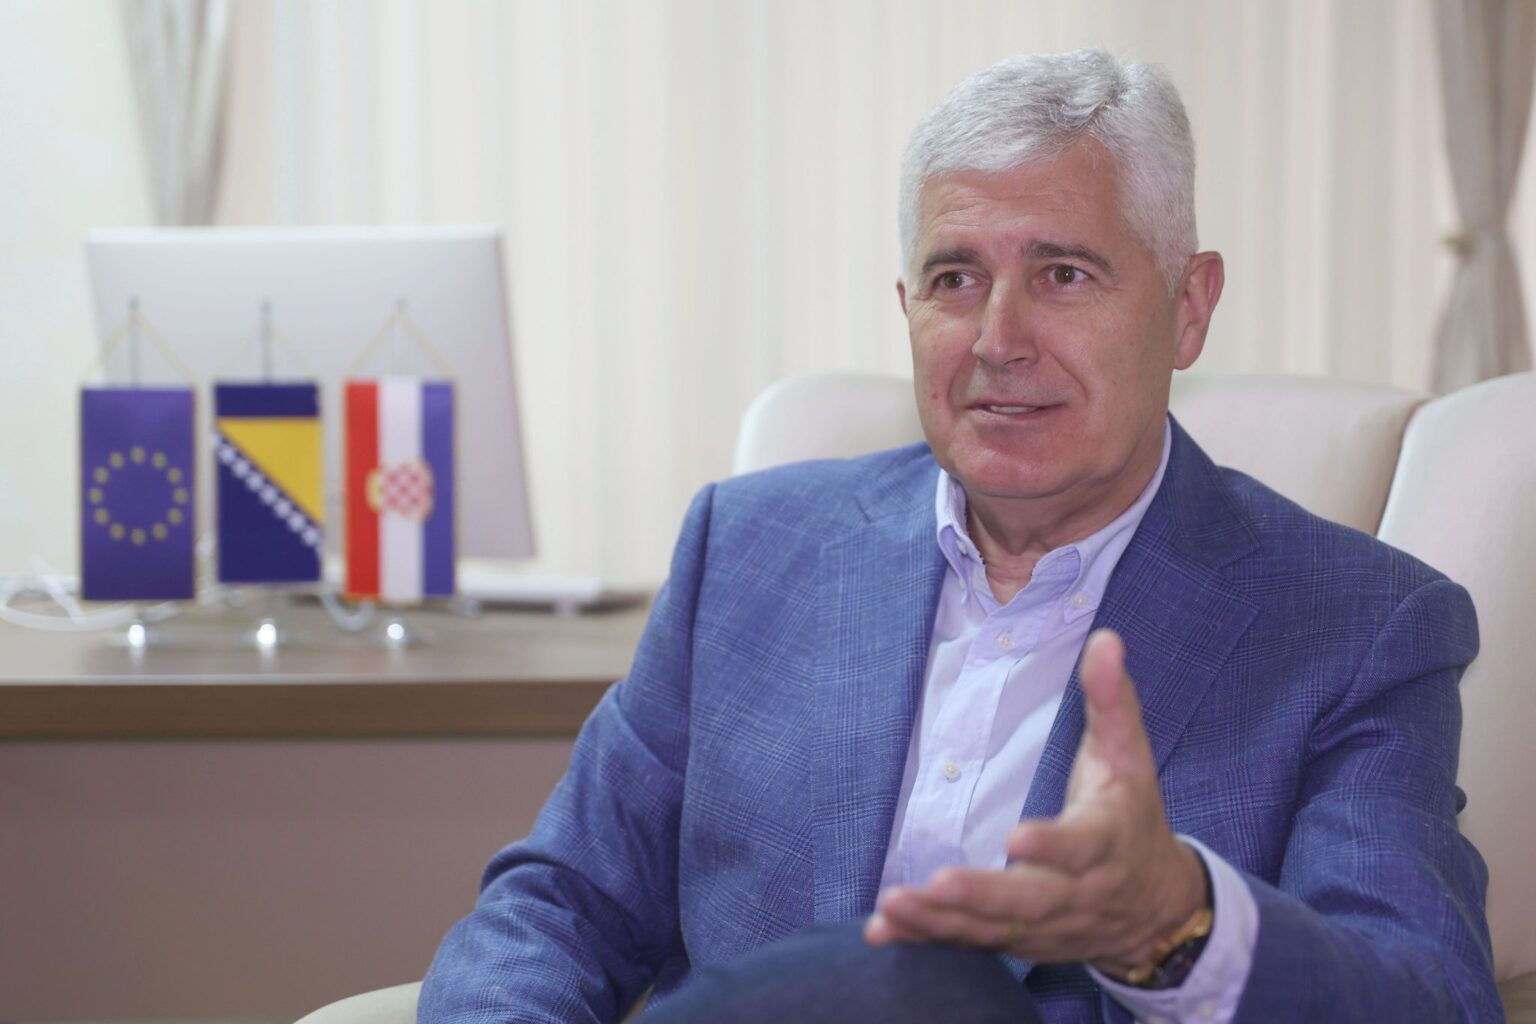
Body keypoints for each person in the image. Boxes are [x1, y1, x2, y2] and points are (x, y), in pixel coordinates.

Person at [421, 49, 1500, 1023]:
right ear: (908, 307)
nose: (996, 338)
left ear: (1188, 306)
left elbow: (1431, 999)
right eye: (955, 279)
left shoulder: (1354, 626)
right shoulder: (748, 550)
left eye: (1063, 274)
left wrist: (1174, 924)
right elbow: (557, 905)